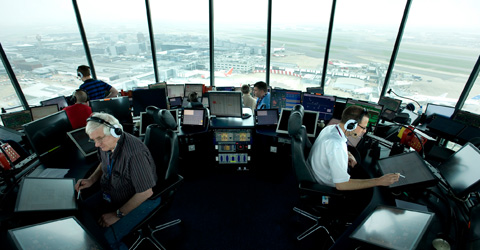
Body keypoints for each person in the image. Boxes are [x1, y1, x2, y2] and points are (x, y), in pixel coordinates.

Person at [75, 113, 159, 250]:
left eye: (99, 139)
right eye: (93, 140)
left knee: (105, 241)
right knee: (81, 211)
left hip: (140, 199)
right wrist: (91, 180)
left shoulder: (134, 153)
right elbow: (103, 163)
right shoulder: (107, 145)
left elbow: (145, 192)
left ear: (115, 131)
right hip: (111, 192)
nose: (96, 144)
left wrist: (117, 214)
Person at [307, 105, 400, 191]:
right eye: (363, 127)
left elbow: (329, 150)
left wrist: (345, 154)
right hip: (326, 187)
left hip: (317, 173)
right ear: (351, 124)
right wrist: (379, 181)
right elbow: (342, 185)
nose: (364, 131)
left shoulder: (330, 128)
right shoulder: (336, 145)